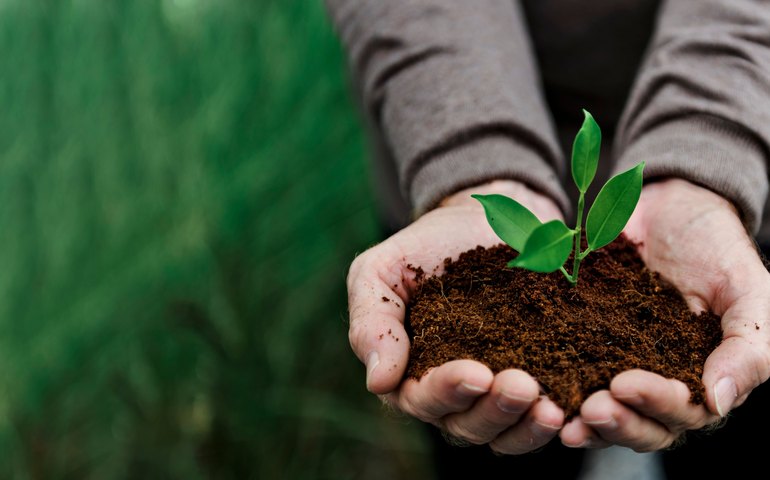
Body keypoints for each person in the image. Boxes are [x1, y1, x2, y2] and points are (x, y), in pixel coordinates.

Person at [324, 1, 770, 478]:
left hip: (742, 151)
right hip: (437, 135)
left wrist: (709, 154)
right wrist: (472, 156)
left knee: (722, 410)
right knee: (488, 429)